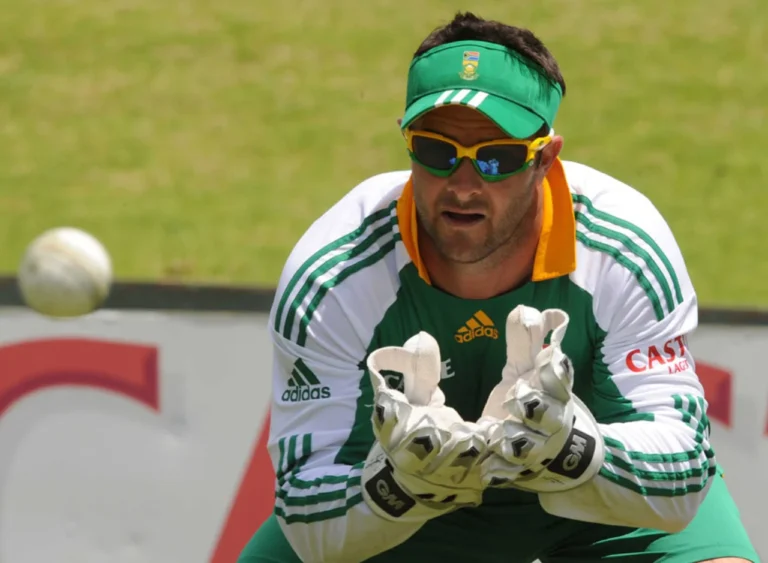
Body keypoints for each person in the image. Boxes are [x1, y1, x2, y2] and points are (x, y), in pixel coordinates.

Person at [238, 11, 758, 563]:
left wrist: (573, 451)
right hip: (404, 524)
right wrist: (401, 485)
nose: (463, 185)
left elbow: (682, 477)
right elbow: (303, 511)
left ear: (546, 158)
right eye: (437, 151)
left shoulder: (622, 247)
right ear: (407, 144)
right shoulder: (333, 270)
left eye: (497, 158)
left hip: (598, 510)